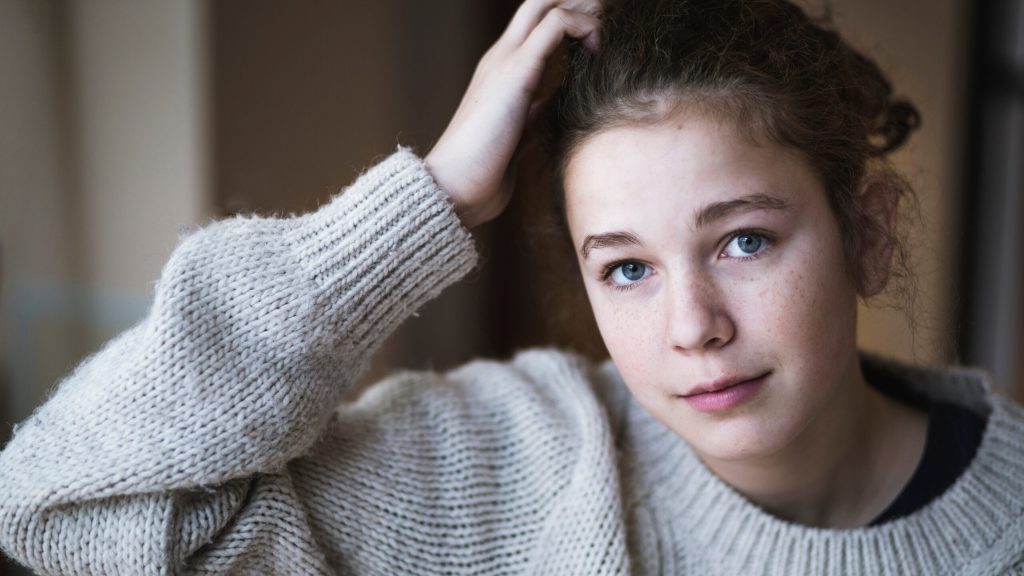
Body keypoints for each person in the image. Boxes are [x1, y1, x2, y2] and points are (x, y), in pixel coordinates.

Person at [1, 0, 1022, 574]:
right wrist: (430, 196)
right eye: (627, 268)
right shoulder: (523, 464)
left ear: (867, 234)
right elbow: (58, 504)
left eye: (744, 242)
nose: (692, 327)